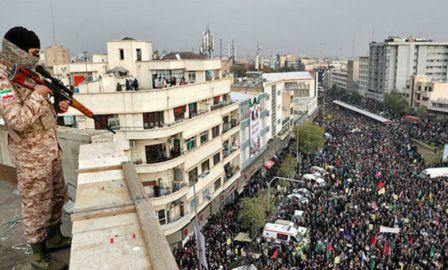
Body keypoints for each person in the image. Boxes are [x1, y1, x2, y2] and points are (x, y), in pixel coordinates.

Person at [0, 26, 71, 270]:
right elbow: (16, 119)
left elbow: (40, 108)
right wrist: (39, 96)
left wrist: (57, 107)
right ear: (17, 50)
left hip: (49, 144)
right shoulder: (3, 77)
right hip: (30, 151)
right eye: (32, 53)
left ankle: (54, 237)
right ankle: (39, 255)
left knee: (57, 193)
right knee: (35, 203)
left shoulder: (26, 71)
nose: (36, 59)